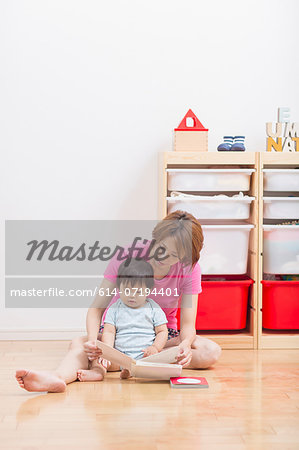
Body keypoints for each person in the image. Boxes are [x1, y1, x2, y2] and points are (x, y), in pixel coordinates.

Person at [15, 211, 222, 393]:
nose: (163, 256)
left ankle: (132, 364)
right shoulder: (127, 255)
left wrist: (185, 345)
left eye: (174, 255)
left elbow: (187, 325)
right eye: (161, 247)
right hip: (118, 335)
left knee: (210, 351)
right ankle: (58, 378)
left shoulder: (190, 269)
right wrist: (95, 344)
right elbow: (97, 309)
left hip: (161, 339)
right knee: (78, 343)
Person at [85, 257, 169, 380]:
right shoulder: (114, 308)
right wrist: (107, 352)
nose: (132, 295)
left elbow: (162, 331)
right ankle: (99, 372)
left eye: (138, 292)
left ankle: (133, 370)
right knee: (102, 361)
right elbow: (109, 331)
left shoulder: (153, 308)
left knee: (162, 359)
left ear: (148, 290)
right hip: (120, 357)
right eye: (127, 290)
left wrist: (155, 348)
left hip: (145, 355)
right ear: (119, 287)